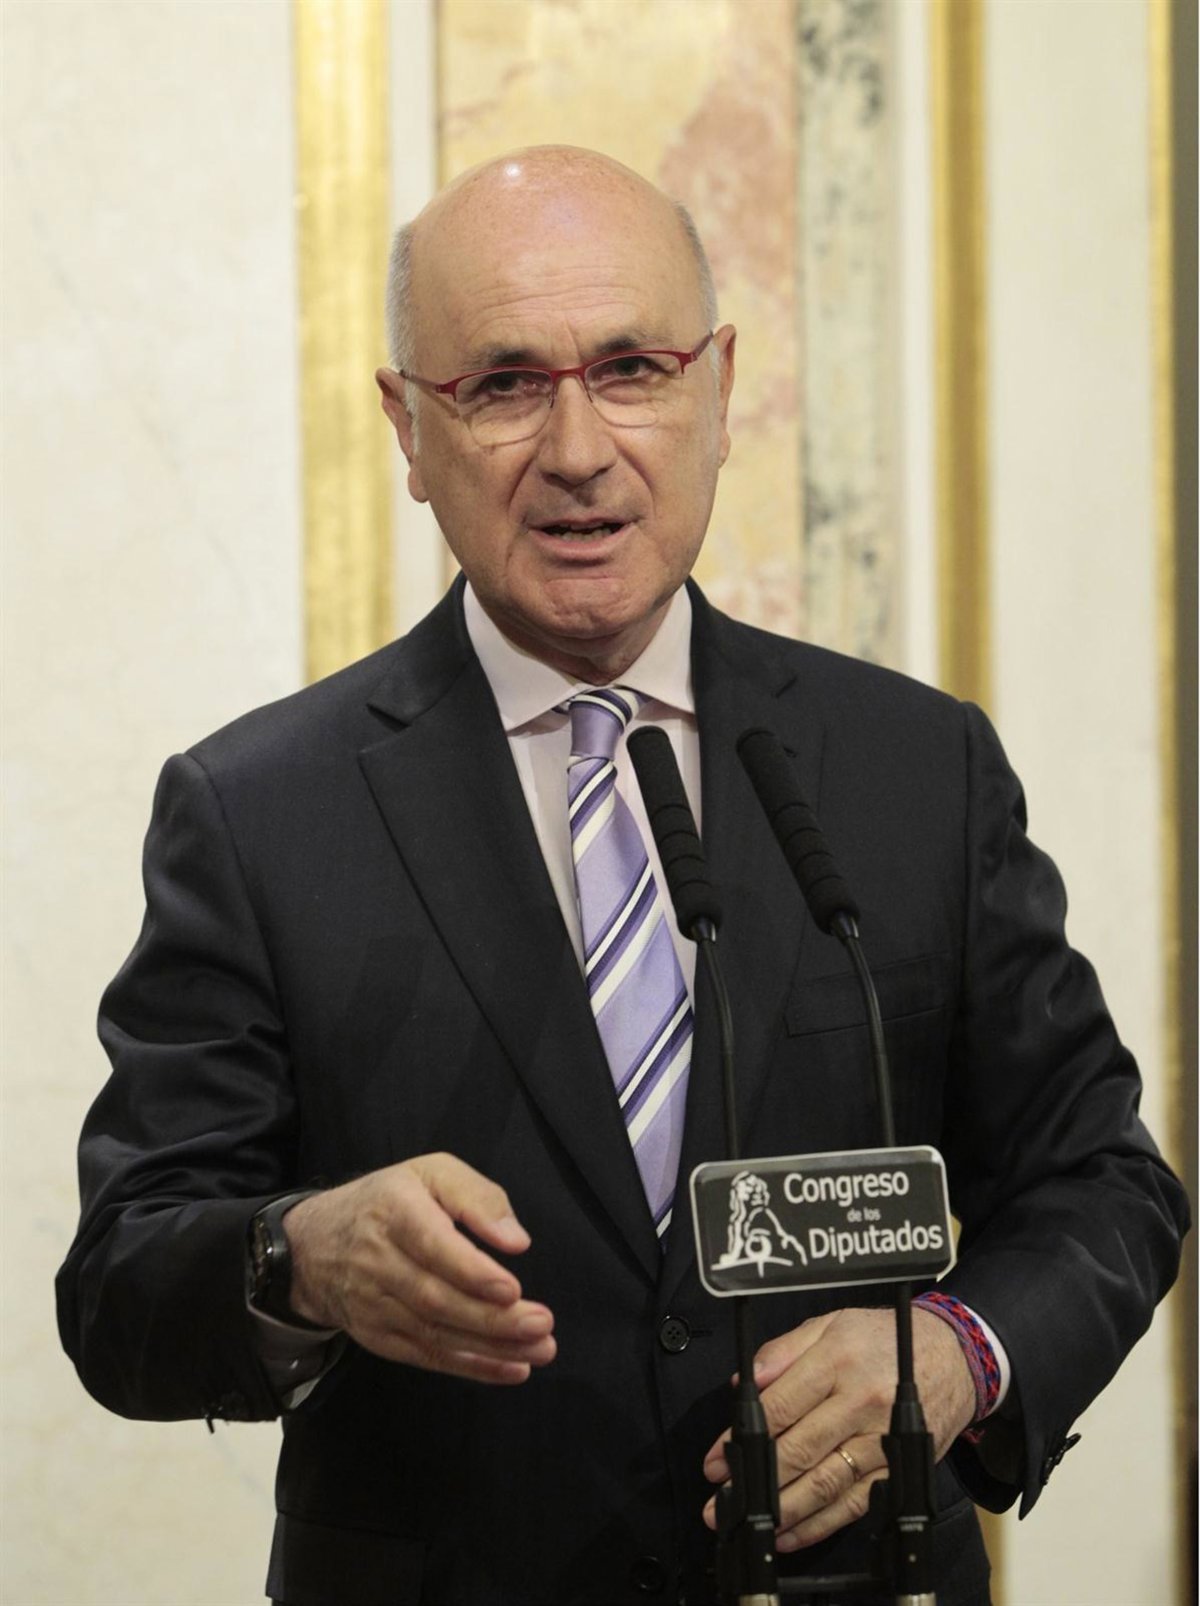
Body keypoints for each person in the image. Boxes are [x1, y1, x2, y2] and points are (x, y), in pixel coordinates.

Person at [57, 146, 1186, 1606]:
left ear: (721, 390)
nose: (579, 449)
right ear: (409, 428)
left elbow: (1103, 1181)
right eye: (504, 384)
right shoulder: (259, 812)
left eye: (634, 369)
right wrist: (300, 1254)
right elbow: (124, 1284)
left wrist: (960, 1352)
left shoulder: (918, 768)